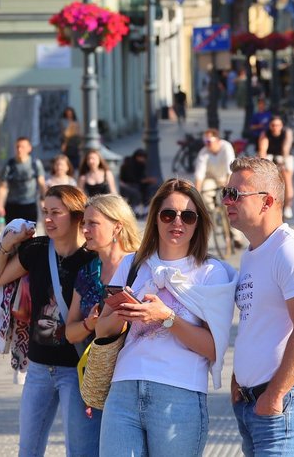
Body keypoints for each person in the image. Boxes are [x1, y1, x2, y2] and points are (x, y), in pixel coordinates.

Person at [95, 179, 236, 456]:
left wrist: (166, 317)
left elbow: (213, 349)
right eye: (168, 214)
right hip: (124, 390)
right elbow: (102, 330)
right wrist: (125, 313)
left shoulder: (211, 272)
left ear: (199, 222)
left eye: (188, 216)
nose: (177, 222)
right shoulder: (132, 263)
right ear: (156, 217)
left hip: (179, 394)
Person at [0, 185, 101, 455]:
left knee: (80, 451)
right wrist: (7, 244)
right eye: (45, 211)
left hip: (76, 370)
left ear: (76, 216)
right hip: (38, 368)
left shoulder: (92, 259)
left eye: (56, 213)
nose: (47, 219)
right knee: (28, 449)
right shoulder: (37, 250)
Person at [223, 157, 294, 455]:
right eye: (225, 193)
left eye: (235, 194)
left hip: (284, 403)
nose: (227, 201)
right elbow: (257, 322)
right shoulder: (253, 253)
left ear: (267, 201)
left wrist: (275, 394)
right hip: (254, 404)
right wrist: (238, 379)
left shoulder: (290, 251)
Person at [65, 194, 137, 348]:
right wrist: (89, 324)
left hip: (132, 360)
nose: (84, 229)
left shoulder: (139, 266)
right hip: (96, 362)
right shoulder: (87, 272)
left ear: (117, 227)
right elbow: (70, 334)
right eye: (84, 223)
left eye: (93, 223)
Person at [0, 137, 47, 224]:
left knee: (29, 232)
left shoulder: (35, 163)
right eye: (17, 147)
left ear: (29, 148)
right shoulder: (9, 165)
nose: (19, 149)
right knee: (12, 231)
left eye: (22, 147)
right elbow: (3, 187)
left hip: (29, 205)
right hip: (12, 205)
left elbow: (41, 183)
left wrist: (46, 203)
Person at [257, 116, 294, 220]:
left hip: (284, 156)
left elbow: (286, 147)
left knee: (287, 178)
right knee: (263, 178)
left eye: (278, 125)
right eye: (273, 125)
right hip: (270, 156)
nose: (275, 127)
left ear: (282, 125)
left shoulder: (287, 132)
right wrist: (264, 163)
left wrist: (283, 161)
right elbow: (262, 149)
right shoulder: (265, 133)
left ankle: (288, 206)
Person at [194, 128, 236, 204]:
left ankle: (226, 210)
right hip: (212, 179)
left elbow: (230, 170)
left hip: (226, 179)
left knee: (228, 199)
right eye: (205, 141)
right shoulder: (203, 152)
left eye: (208, 141)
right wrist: (196, 197)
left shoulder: (226, 147)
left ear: (217, 140)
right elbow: (199, 176)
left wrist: (227, 187)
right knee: (205, 192)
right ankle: (212, 210)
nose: (206, 144)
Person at [119, 148, 158, 215]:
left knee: (151, 188)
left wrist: (146, 180)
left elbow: (141, 177)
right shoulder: (129, 164)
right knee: (136, 192)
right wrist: (146, 180)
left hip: (138, 184)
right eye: (142, 157)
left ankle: (146, 209)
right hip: (128, 184)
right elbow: (131, 179)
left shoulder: (141, 164)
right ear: (137, 157)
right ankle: (135, 210)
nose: (144, 160)